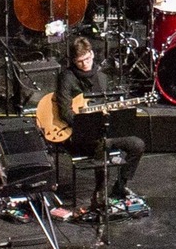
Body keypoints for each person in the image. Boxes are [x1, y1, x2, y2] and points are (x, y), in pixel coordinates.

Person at [55, 36, 146, 207]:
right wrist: (85, 122)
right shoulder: (66, 78)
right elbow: (65, 111)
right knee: (101, 142)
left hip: (102, 130)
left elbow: (106, 105)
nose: (85, 64)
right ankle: (100, 190)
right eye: (80, 61)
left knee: (137, 144)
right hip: (77, 133)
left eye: (87, 58)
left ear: (92, 53)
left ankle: (120, 186)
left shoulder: (101, 76)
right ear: (74, 61)